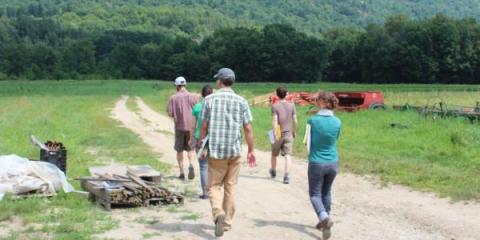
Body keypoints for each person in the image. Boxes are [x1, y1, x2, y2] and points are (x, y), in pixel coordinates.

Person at [198, 67, 256, 237]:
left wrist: (201, 144)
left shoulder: (209, 100)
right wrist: (251, 150)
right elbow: (248, 128)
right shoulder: (242, 101)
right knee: (231, 186)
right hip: (234, 151)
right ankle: (227, 223)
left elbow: (203, 126)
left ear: (219, 81)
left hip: (216, 152)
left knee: (213, 186)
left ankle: (218, 213)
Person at [305, 91, 341, 240]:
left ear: (322, 103)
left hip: (316, 162)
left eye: (317, 100)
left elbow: (307, 143)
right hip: (333, 162)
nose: (315, 101)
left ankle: (324, 218)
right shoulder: (338, 122)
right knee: (326, 192)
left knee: (314, 194)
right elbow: (335, 139)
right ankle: (324, 220)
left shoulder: (312, 121)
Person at [167, 76, 198, 180]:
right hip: (191, 127)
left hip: (179, 128)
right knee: (191, 149)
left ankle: (181, 173)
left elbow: (170, 113)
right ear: (185, 85)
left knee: (179, 150)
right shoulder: (194, 96)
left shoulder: (173, 98)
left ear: (176, 86)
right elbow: (197, 110)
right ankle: (191, 165)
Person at [270, 87, 298, 184]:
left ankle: (273, 171)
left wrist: (274, 132)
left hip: (278, 133)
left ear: (277, 95)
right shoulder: (292, 105)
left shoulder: (275, 106)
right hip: (289, 133)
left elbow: (275, 120)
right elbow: (295, 120)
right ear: (286, 94)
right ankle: (286, 176)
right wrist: (294, 130)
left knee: (274, 154)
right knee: (287, 155)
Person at [191, 85, 213, 199]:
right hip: (213, 139)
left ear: (202, 94)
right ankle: (214, 192)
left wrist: (191, 139)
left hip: (200, 139)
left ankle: (205, 193)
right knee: (213, 166)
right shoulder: (215, 106)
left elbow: (193, 126)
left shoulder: (197, 107)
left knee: (203, 166)